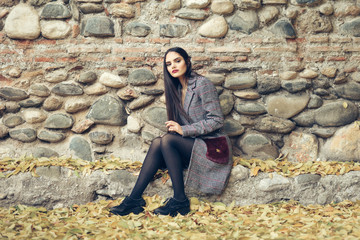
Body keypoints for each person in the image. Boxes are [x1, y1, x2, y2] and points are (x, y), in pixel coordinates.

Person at [110, 47, 233, 217]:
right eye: (168, 64)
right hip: (193, 144)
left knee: (167, 140)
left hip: (212, 146)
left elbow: (217, 120)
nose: (173, 66)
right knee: (157, 142)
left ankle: (180, 200)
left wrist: (183, 130)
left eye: (177, 61)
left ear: (187, 62)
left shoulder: (202, 84)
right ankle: (134, 199)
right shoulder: (175, 89)